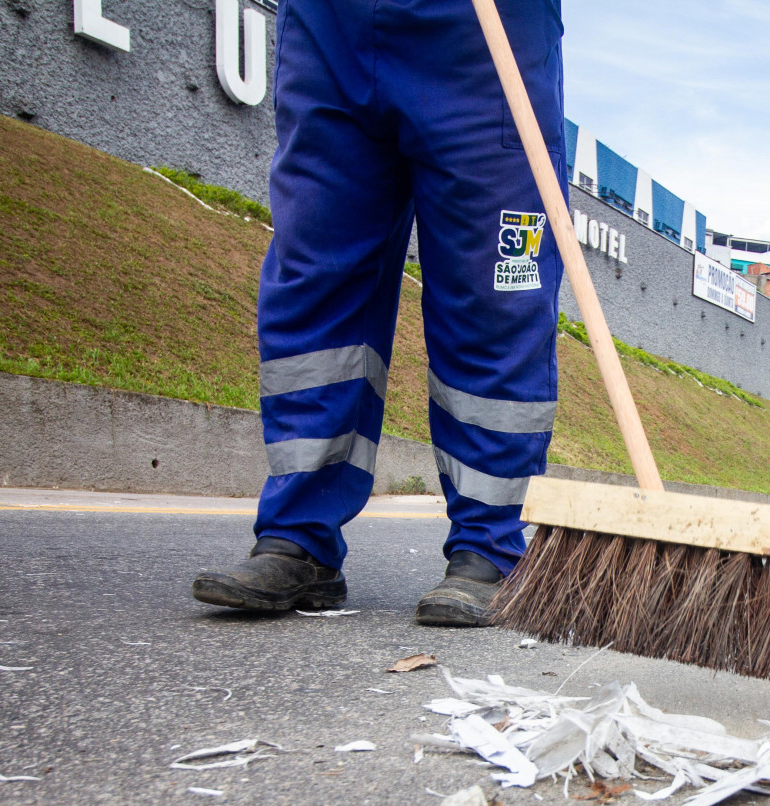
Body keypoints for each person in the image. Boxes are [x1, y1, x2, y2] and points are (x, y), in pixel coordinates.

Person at [190, 0, 564, 626]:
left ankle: (488, 547)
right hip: (330, 23)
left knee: (495, 294)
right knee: (316, 274)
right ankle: (298, 533)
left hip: (486, 34)